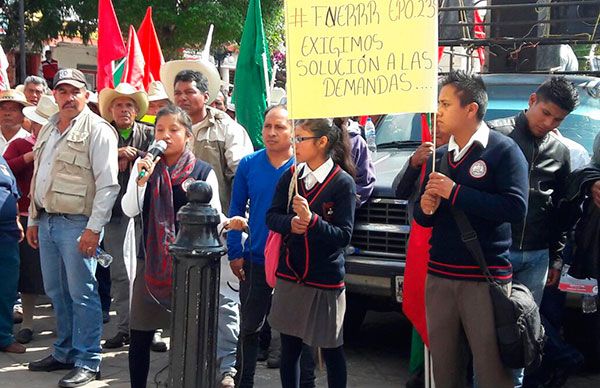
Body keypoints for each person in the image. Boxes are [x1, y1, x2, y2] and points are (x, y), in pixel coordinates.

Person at [413, 71, 529, 388]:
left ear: (470, 109)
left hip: (484, 280)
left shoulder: (503, 151)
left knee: (493, 375)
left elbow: (515, 208)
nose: (438, 111)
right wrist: (424, 210)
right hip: (439, 278)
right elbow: (423, 217)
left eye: (446, 103)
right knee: (445, 372)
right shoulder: (438, 157)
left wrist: (456, 193)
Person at [26, 68, 119, 387]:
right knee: (56, 292)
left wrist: (94, 229)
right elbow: (40, 175)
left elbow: (108, 186)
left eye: (74, 91)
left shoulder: (98, 130)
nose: (68, 97)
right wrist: (34, 218)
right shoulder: (48, 128)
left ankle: (89, 360)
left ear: (87, 94)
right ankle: (64, 351)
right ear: (55, 95)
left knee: (82, 294)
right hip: (48, 221)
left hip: (79, 224)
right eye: (62, 91)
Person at [121, 105, 221, 388]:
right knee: (140, 332)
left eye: (173, 130)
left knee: (187, 334)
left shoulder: (202, 171)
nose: (165, 136)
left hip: (191, 268)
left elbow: (214, 215)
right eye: (160, 130)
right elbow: (130, 209)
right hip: (150, 261)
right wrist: (140, 179)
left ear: (188, 136)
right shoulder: (145, 166)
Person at [266, 118, 357, 388]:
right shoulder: (291, 175)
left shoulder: (343, 183)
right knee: (289, 348)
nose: (294, 144)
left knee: (331, 349)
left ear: (322, 142)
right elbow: (271, 216)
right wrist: (292, 224)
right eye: (294, 137)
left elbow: (343, 236)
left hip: (325, 280)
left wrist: (312, 221)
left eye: (300, 138)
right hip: (291, 274)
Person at [227, 104, 295, 387]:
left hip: (293, 261)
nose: (272, 132)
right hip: (255, 257)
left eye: (280, 127)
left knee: (293, 332)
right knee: (249, 328)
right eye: (268, 126)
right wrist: (235, 250)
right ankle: (244, 381)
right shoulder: (248, 164)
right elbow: (236, 210)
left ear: (293, 131)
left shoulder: (302, 167)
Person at [392, 123, 451, 388]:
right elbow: (399, 191)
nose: (438, 126)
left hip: (450, 257)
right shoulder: (423, 156)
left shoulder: (466, 157)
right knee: (421, 313)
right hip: (418, 251)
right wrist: (415, 163)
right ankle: (420, 374)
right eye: (434, 120)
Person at [97, 82, 154, 350]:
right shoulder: (103, 134)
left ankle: (151, 329)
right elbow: (90, 163)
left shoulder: (148, 133)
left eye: (129, 105)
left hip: (146, 213)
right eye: (118, 105)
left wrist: (136, 155)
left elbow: (161, 156)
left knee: (147, 270)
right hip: (113, 214)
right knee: (119, 273)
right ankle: (124, 328)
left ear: (136, 110)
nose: (124, 110)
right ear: (110, 110)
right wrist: (115, 155)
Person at [160, 59, 254, 214]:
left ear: (205, 96)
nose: (182, 98)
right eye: (177, 93)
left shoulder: (227, 129)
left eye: (189, 92)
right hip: (171, 218)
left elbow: (242, 174)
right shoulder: (164, 130)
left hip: (215, 220)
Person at [3, 94, 58, 345]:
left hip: (57, 216)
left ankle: (62, 324)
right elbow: (6, 171)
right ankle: (27, 323)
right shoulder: (21, 145)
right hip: (26, 217)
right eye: (36, 122)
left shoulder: (62, 144)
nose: (37, 127)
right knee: (28, 274)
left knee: (58, 274)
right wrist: (29, 157)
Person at [0, 153, 25, 355]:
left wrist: (16, 219)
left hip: (7, 232)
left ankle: (4, 337)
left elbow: (13, 192)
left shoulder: (2, 162)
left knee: (7, 287)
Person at [334, 117, 375, 207]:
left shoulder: (357, 141)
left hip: (344, 211)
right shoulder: (316, 140)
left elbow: (365, 182)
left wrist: (347, 202)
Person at [0, 89, 31, 154]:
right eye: (3, 109)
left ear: (23, 114)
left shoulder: (28, 141)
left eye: (13, 109)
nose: (7, 113)